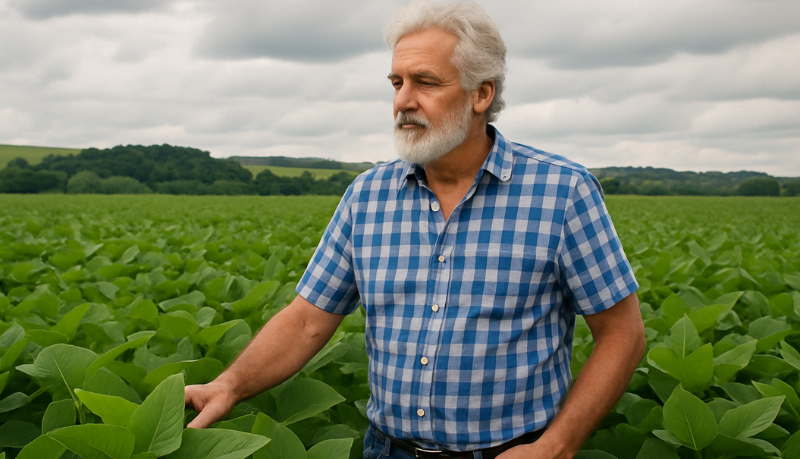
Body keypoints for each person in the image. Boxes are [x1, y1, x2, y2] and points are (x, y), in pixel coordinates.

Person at [184, 1, 646, 458]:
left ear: (481, 94)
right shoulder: (367, 196)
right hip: (388, 450)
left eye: (426, 82)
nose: (404, 100)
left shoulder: (561, 192)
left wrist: (557, 447)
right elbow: (307, 320)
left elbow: (622, 333)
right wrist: (229, 385)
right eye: (397, 82)